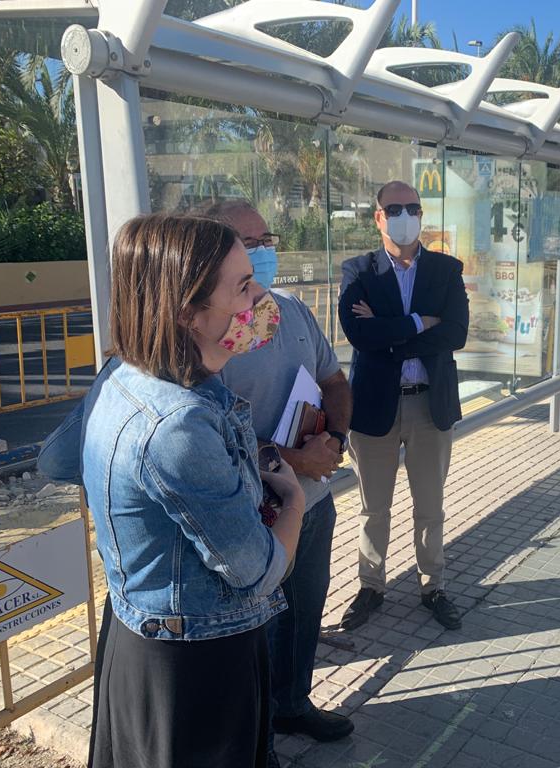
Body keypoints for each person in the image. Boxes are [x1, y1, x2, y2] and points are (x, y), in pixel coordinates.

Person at [38, 214, 305, 768]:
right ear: (187, 312)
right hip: (197, 662)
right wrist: (295, 502)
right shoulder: (178, 424)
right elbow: (258, 571)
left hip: (139, 633)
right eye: (241, 285)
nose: (258, 295)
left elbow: (60, 459)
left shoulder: (122, 373)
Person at [206, 200, 356, 746]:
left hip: (312, 502)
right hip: (254, 511)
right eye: (252, 242)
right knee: (255, 630)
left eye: (268, 239)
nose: (265, 251)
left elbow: (335, 381)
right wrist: (297, 462)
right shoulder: (209, 334)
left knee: (303, 614)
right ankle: (257, 738)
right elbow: (212, 434)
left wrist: (333, 441)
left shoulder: (291, 310)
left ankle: (293, 705)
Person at [337, 180, 469, 631]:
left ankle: (433, 586)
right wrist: (418, 322)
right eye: (394, 208)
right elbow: (359, 336)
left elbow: (455, 334)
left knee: (430, 506)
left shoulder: (446, 270)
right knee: (374, 507)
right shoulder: (358, 271)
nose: (405, 215)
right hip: (376, 407)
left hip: (430, 406)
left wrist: (390, 331)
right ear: (378, 217)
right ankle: (370, 586)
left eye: (412, 207)